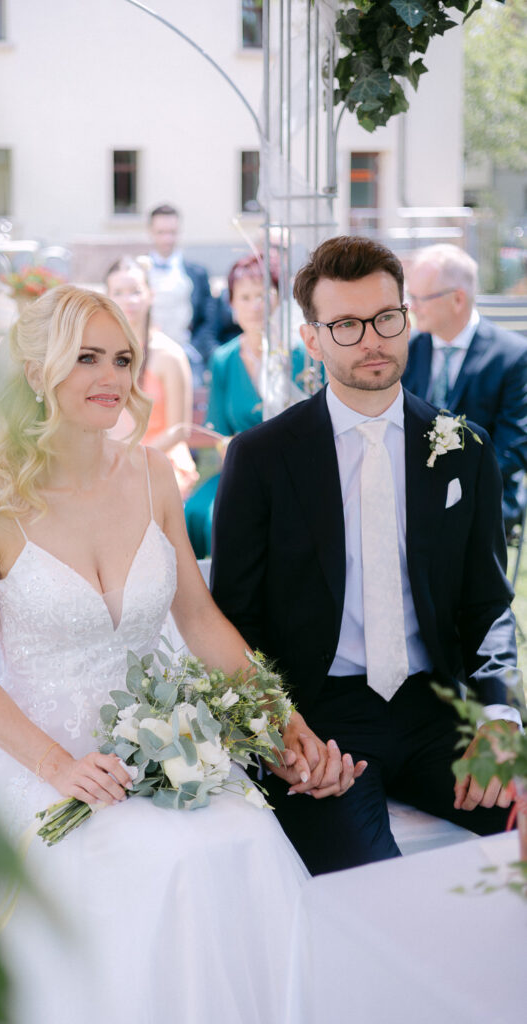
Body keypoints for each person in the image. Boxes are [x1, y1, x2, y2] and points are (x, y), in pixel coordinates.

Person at [0, 284, 347, 1023]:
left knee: (242, 840)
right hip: (41, 759)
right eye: (86, 358)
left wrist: (281, 718)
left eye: (122, 359)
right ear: (36, 371)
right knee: (157, 868)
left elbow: (198, 619)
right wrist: (59, 767)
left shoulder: (150, 474)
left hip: (162, 745)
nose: (111, 377)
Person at [211, 235, 520, 877]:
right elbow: (234, 622)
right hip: (318, 718)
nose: (372, 340)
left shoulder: (465, 449)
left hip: (441, 709)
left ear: (407, 318)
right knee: (365, 879)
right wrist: (276, 733)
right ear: (312, 338)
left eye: (386, 318)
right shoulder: (261, 458)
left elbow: (487, 603)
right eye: (346, 325)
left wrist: (498, 716)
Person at [185, 254, 311, 558]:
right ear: (231, 303)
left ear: (279, 299)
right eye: (244, 297)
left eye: (263, 295)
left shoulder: (301, 355)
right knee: (202, 512)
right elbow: (219, 433)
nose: (255, 306)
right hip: (241, 471)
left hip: (294, 473)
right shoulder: (224, 360)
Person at [402, 244, 527, 533]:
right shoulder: (407, 351)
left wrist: (451, 487)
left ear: (457, 299)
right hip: (413, 491)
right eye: (410, 297)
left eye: (420, 298)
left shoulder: (511, 356)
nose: (411, 307)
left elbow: (514, 445)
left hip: (482, 494)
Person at [105, 256, 198, 498]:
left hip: (159, 461)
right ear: (108, 299)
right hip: (111, 462)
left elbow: (179, 429)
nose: (128, 300)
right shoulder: (102, 354)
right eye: (118, 293)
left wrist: (131, 458)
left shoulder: (169, 355)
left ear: (150, 294)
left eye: (136, 291)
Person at [147, 203, 214, 380]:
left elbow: (208, 319)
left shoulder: (197, 273)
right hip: (147, 357)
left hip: (186, 356)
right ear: (150, 232)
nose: (167, 239)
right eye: (161, 232)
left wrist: (195, 348)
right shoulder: (139, 273)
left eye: (172, 232)